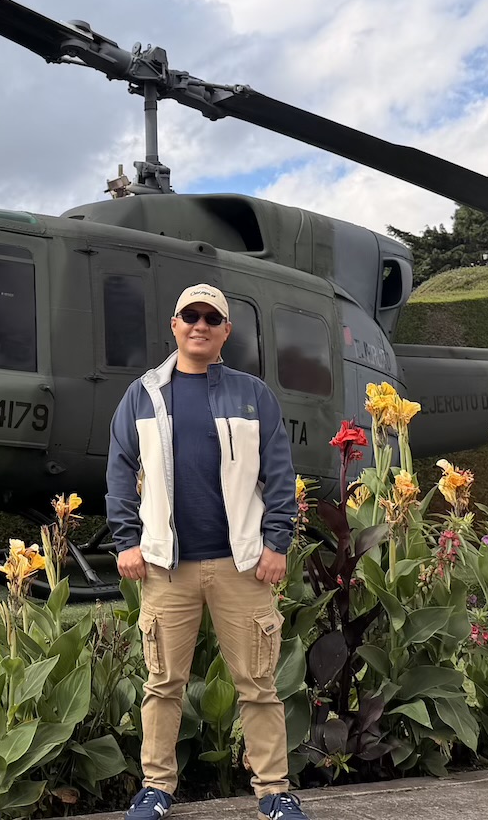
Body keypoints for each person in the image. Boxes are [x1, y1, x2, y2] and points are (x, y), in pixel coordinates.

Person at [106, 283, 304, 820]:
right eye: (190, 316)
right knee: (163, 684)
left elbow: (279, 472)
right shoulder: (143, 394)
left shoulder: (252, 394)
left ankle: (274, 791)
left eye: (211, 318)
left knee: (258, 685)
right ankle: (156, 788)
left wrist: (276, 543)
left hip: (242, 566)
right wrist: (126, 540)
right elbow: (120, 469)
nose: (200, 325)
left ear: (225, 331)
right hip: (166, 568)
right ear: (174, 325)